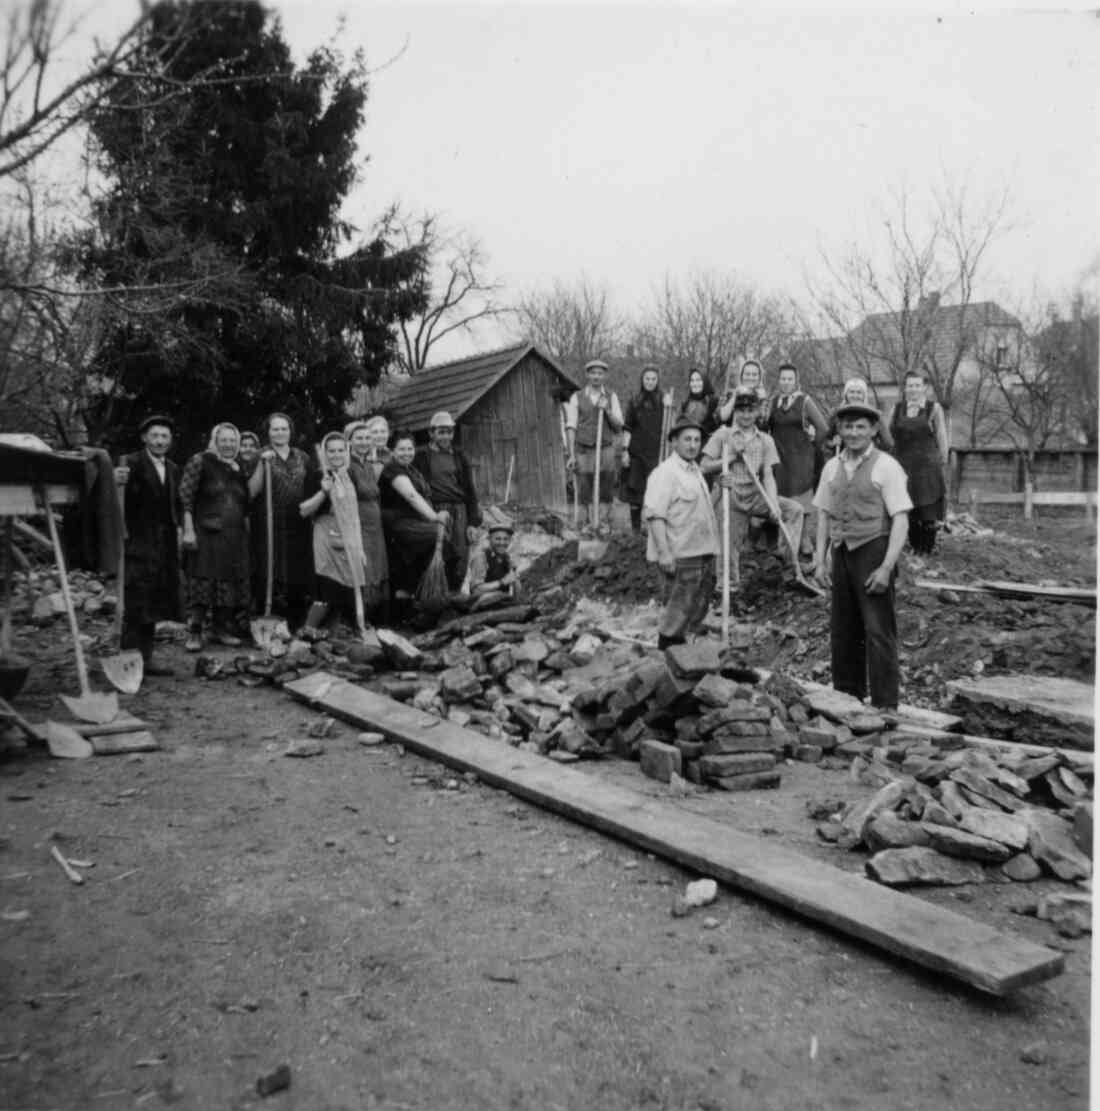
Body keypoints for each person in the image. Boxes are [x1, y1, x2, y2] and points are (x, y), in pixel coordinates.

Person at [813, 401, 912, 712]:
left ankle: (886, 705)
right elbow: (824, 516)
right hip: (841, 552)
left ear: (872, 430)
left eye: (860, 427)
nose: (853, 433)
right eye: (847, 427)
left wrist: (886, 567)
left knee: (878, 629)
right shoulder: (832, 467)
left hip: (873, 551)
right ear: (839, 430)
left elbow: (901, 519)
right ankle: (847, 697)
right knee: (843, 628)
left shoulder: (887, 466)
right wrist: (820, 558)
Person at [700, 389, 806, 589]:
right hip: (729, 496)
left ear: (758, 412)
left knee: (794, 510)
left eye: (750, 410)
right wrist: (730, 458)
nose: (746, 415)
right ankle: (727, 585)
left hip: (756, 495)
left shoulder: (766, 440)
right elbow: (704, 465)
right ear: (735, 412)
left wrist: (773, 503)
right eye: (741, 410)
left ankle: (789, 564)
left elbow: (768, 475)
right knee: (728, 547)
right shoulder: (723, 435)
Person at [113, 415, 183, 676]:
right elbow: (111, 498)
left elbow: (174, 505)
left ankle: (146, 659)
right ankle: (128, 663)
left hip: (162, 545)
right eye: (155, 436)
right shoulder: (129, 464)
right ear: (144, 438)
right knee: (135, 604)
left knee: (153, 602)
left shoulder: (174, 468)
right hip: (136, 544)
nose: (160, 441)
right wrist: (114, 479)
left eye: (165, 436)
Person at [643, 416, 721, 650]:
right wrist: (664, 553)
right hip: (680, 556)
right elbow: (655, 515)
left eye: (697, 440)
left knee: (695, 612)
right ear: (674, 442)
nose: (693, 445)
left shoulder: (694, 470)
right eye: (687, 439)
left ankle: (686, 660)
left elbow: (700, 508)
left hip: (703, 553)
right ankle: (668, 660)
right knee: (676, 615)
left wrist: (720, 487)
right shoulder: (665, 473)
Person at [180, 422, 252, 651]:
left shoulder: (238, 468)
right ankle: (195, 632)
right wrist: (188, 530)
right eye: (224, 440)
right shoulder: (200, 461)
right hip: (206, 533)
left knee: (228, 583)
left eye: (233, 441)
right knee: (203, 581)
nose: (229, 444)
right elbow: (185, 498)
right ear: (215, 440)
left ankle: (220, 630)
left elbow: (245, 502)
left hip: (234, 536)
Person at [298, 431, 375, 630]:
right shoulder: (317, 475)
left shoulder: (350, 475)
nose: (336, 455)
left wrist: (360, 549)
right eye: (331, 451)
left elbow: (354, 516)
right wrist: (323, 491)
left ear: (347, 451)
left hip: (349, 541)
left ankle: (347, 631)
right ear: (324, 453)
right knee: (326, 591)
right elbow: (304, 510)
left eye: (340, 450)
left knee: (351, 590)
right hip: (326, 541)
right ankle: (308, 631)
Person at [247, 412, 313, 627]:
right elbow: (251, 491)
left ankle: (295, 621)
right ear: (268, 432)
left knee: (297, 569)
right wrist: (260, 465)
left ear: (290, 431)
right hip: (269, 522)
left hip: (299, 522)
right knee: (270, 567)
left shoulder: (302, 456)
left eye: (284, 428)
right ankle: (267, 616)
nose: (280, 432)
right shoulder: (260, 455)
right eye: (275, 429)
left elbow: (311, 486)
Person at [379, 429, 456, 604]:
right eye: (401, 449)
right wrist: (435, 517)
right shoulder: (392, 469)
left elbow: (425, 496)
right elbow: (411, 496)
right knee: (438, 534)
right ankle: (418, 590)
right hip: (398, 523)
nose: (407, 453)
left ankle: (426, 591)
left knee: (445, 540)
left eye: (410, 449)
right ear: (392, 451)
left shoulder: (412, 469)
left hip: (414, 521)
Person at [766, 363, 829, 560]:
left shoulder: (805, 401)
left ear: (796, 381)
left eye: (789, 379)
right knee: (783, 495)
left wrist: (812, 445)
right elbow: (767, 425)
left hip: (800, 456)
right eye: (783, 379)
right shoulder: (774, 401)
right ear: (779, 381)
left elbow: (823, 428)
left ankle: (804, 540)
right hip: (779, 455)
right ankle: (786, 541)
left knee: (800, 493)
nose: (786, 382)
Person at [414, 411, 482, 591]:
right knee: (438, 550)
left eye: (449, 432)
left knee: (460, 552)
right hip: (434, 510)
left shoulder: (459, 456)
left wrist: (473, 522)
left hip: (459, 509)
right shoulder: (421, 456)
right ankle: (435, 592)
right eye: (441, 432)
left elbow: (470, 490)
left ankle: (455, 593)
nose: (446, 436)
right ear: (431, 433)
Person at [888, 371, 949, 555]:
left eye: (917, 385)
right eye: (910, 385)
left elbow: (941, 437)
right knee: (909, 507)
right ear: (905, 388)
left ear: (924, 388)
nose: (913, 389)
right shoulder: (897, 409)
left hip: (927, 467)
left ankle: (927, 548)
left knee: (927, 509)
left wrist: (942, 460)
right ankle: (914, 546)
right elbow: (890, 435)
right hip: (903, 466)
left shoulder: (934, 408)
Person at [565, 359, 624, 530]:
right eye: (593, 373)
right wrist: (571, 454)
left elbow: (619, 426)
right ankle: (587, 525)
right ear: (587, 375)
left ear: (604, 376)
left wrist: (607, 411)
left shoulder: (611, 396)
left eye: (600, 373)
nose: (596, 376)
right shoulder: (576, 397)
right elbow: (571, 426)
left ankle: (604, 523)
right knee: (585, 486)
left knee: (606, 485)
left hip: (605, 448)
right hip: (583, 449)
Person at [344, 420, 390, 616]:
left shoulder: (369, 466)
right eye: (359, 438)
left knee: (378, 567)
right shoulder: (348, 466)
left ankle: (378, 616)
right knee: (365, 569)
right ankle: (361, 616)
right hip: (359, 523)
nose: (363, 442)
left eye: (366, 438)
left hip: (375, 524)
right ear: (350, 441)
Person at [621, 365, 667, 534]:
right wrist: (625, 450)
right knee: (635, 495)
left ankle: (651, 529)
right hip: (637, 454)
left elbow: (669, 428)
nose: (650, 382)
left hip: (656, 455)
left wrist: (669, 406)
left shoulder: (664, 401)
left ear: (657, 381)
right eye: (647, 378)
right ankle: (635, 531)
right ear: (642, 380)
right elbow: (628, 427)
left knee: (654, 494)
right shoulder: (634, 401)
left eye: (653, 379)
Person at [824, 378, 894, 455]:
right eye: (852, 392)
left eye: (859, 392)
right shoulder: (836, 414)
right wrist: (832, 443)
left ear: (864, 395)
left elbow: (888, 443)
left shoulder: (874, 415)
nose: (855, 395)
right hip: (842, 458)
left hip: (867, 460)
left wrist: (873, 446)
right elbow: (824, 440)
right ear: (846, 394)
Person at [466, 519, 520, 611]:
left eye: (505, 539)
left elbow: (517, 594)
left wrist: (515, 577)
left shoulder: (507, 558)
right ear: (489, 539)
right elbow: (476, 590)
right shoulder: (481, 557)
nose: (502, 543)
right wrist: (502, 582)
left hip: (500, 603)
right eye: (498, 539)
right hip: (481, 605)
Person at [717, 359, 769, 426]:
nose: (751, 377)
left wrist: (758, 401)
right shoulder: (729, 395)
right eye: (747, 374)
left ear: (759, 378)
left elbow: (762, 422)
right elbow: (721, 417)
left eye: (754, 375)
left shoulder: (763, 398)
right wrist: (735, 395)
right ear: (741, 376)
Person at [677, 369, 719, 439]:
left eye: (698, 380)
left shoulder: (713, 401)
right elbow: (678, 424)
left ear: (704, 381)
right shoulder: (685, 403)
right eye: (692, 380)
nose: (695, 383)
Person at [363, 415, 391, 479]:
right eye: (375, 432)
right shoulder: (362, 458)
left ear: (388, 433)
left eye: (383, 431)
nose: (379, 435)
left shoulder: (393, 455)